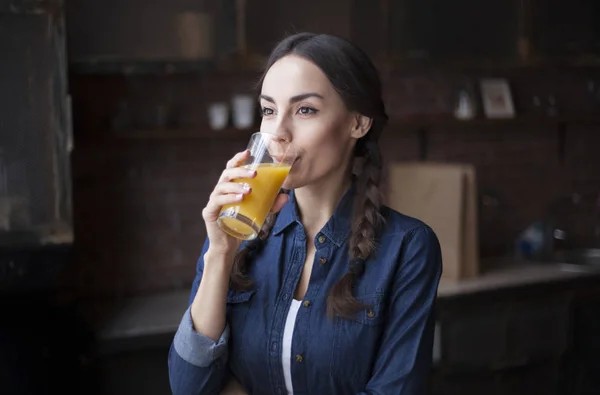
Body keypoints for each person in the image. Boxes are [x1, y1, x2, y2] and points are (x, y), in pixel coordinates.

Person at [168, 32, 443, 395]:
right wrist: (219, 254)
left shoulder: (408, 248)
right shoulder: (233, 235)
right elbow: (189, 388)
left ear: (357, 123)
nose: (278, 132)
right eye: (269, 110)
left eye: (305, 110)